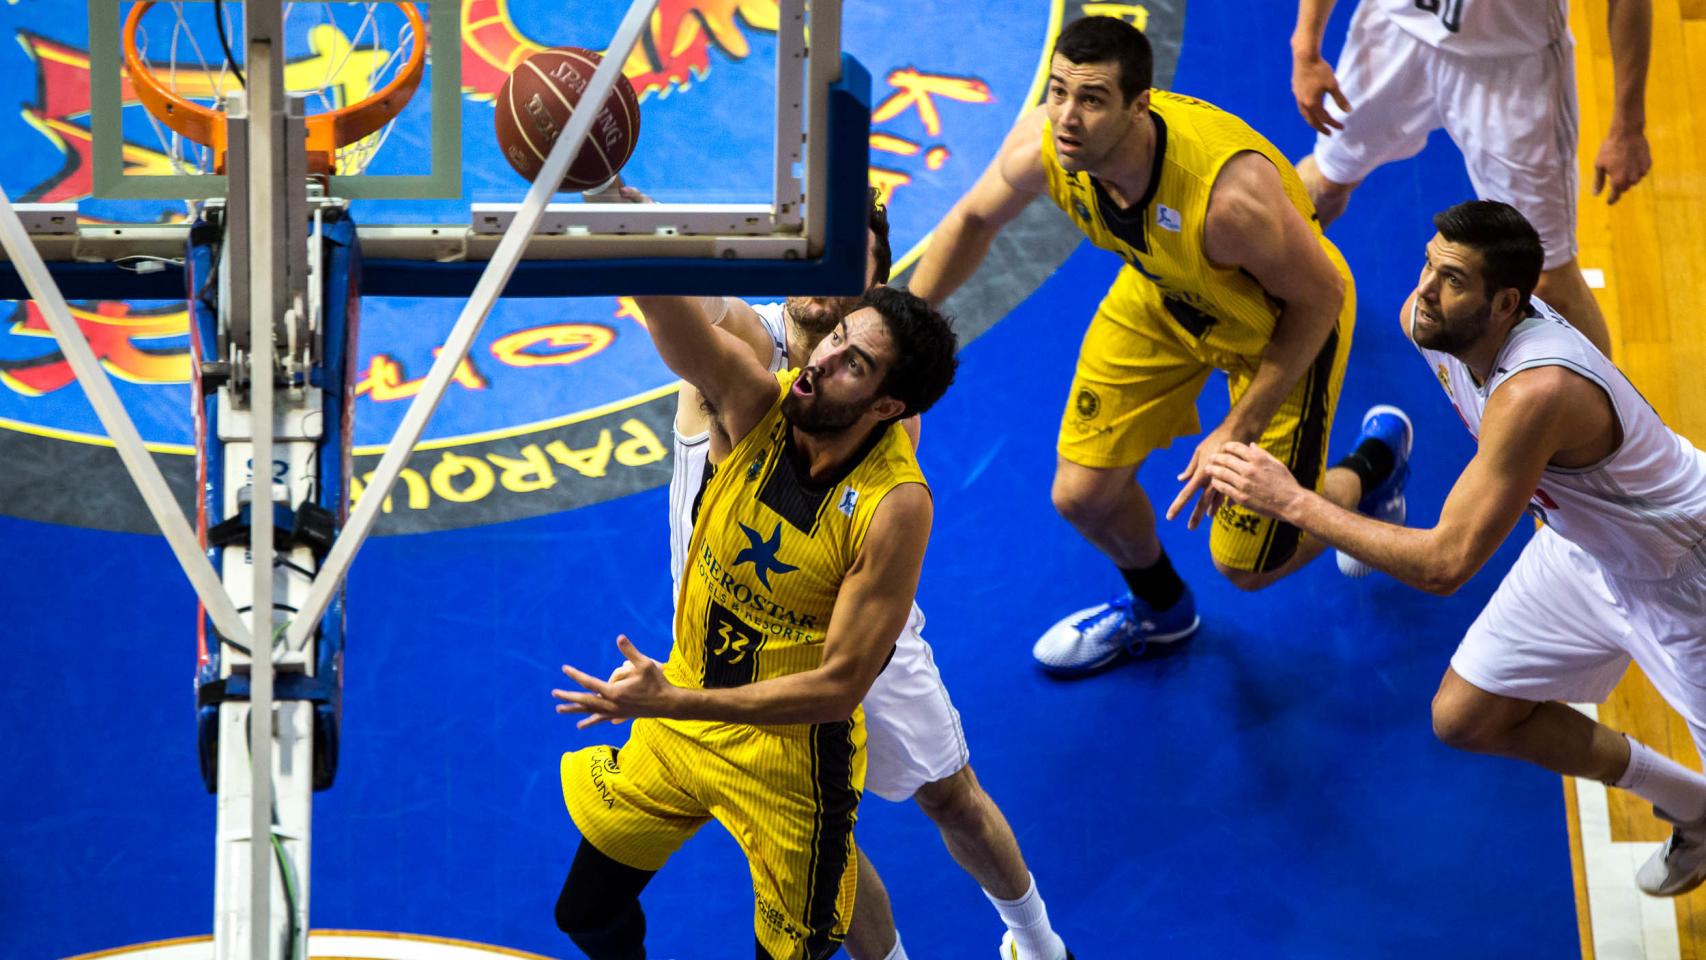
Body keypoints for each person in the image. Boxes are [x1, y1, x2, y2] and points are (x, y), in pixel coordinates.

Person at [1208, 200, 1706, 897]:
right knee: (1466, 716)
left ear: (1505, 304)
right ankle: (1694, 807)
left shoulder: (1537, 390)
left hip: (1687, 580)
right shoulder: (1430, 325)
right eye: (1428, 265)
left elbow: (1446, 565)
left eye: (1452, 280)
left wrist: (1292, 501)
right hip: (1587, 552)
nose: (1425, 291)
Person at [909, 15, 1406, 676]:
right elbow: (973, 219)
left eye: (1092, 99)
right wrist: (902, 322)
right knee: (1082, 496)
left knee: (1250, 565)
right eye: (1058, 92)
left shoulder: (1227, 203)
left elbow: (1320, 298)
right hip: (1165, 292)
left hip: (1277, 327)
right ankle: (1162, 610)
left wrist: (1235, 428)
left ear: (1138, 106)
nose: (1066, 117)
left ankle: (1373, 467)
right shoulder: (1046, 145)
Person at [659, 190, 1068, 960]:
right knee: (822, 840)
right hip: (729, 629)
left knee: (951, 796)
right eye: (811, 251)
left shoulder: (881, 395)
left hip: (855, 633)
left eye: (847, 261)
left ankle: (1039, 943)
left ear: (874, 286)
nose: (823, 272)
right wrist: (626, 211)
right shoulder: (743, 339)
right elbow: (693, 300)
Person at [548, 268, 958, 959]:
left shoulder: (895, 506)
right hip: (683, 714)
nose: (822, 360)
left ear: (887, 406)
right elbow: (668, 311)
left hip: (789, 763)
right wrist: (619, 225)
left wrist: (674, 701)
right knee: (585, 913)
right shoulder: (754, 400)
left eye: (853, 364)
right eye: (836, 338)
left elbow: (838, 689)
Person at [1289, 0, 1653, 356]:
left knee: (1549, 278)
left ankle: (1607, 397)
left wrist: (1628, 126)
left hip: (1512, 65)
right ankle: (1265, 293)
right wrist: (1305, 47)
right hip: (1395, 33)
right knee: (1325, 182)